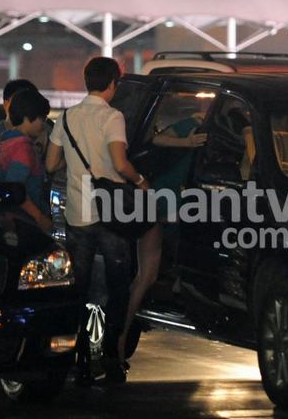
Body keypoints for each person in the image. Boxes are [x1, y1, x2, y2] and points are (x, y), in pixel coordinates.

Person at [45, 56, 148, 385]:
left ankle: (77, 358)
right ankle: (111, 357)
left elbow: (50, 165)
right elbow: (120, 163)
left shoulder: (67, 116)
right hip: (110, 215)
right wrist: (141, 181)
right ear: (112, 84)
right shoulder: (112, 117)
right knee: (118, 287)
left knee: (79, 288)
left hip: (78, 215)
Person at [116, 101, 208, 363]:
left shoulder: (219, 131)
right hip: (162, 199)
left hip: (173, 202)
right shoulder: (194, 124)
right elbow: (158, 139)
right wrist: (187, 143)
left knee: (148, 274)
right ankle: (120, 338)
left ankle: (120, 338)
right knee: (147, 274)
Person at [0, 89, 52, 233]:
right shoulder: (22, 148)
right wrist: (40, 217)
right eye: (42, 119)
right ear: (27, 118)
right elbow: (15, 188)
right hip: (26, 220)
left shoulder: (5, 141)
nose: (43, 124)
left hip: (12, 216)